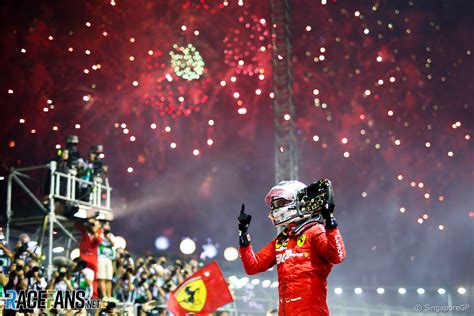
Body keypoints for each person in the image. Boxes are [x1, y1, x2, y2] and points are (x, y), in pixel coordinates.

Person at [238, 179, 346, 316]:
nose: (275, 209)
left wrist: (330, 222)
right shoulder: (282, 239)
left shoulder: (315, 231)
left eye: (280, 203)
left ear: (298, 201)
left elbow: (337, 256)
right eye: (274, 205)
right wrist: (243, 235)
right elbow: (252, 267)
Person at [97, 221, 115, 300]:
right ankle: (104, 296)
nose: (107, 227)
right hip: (100, 258)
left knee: (109, 278)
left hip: (108, 258)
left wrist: (108, 238)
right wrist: (102, 235)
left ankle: (109, 296)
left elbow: (113, 244)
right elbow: (97, 242)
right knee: (102, 277)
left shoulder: (111, 235)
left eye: (108, 225)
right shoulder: (99, 234)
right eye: (106, 225)